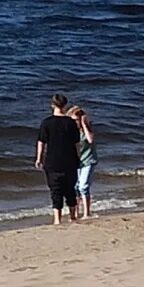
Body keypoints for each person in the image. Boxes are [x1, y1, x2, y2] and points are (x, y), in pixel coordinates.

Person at [35, 94, 81, 225]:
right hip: (70, 160)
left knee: (55, 190)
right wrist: (79, 157)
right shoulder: (71, 123)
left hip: (52, 161)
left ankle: (57, 220)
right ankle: (72, 216)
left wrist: (39, 158)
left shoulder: (46, 123)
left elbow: (41, 142)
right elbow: (77, 143)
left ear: (52, 105)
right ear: (65, 106)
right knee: (70, 189)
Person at [68, 105, 98, 219]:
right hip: (76, 161)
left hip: (88, 160)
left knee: (83, 186)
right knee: (75, 187)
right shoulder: (71, 131)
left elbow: (90, 140)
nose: (75, 122)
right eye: (73, 120)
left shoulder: (87, 129)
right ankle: (75, 213)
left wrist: (84, 124)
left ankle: (87, 213)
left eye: (76, 120)